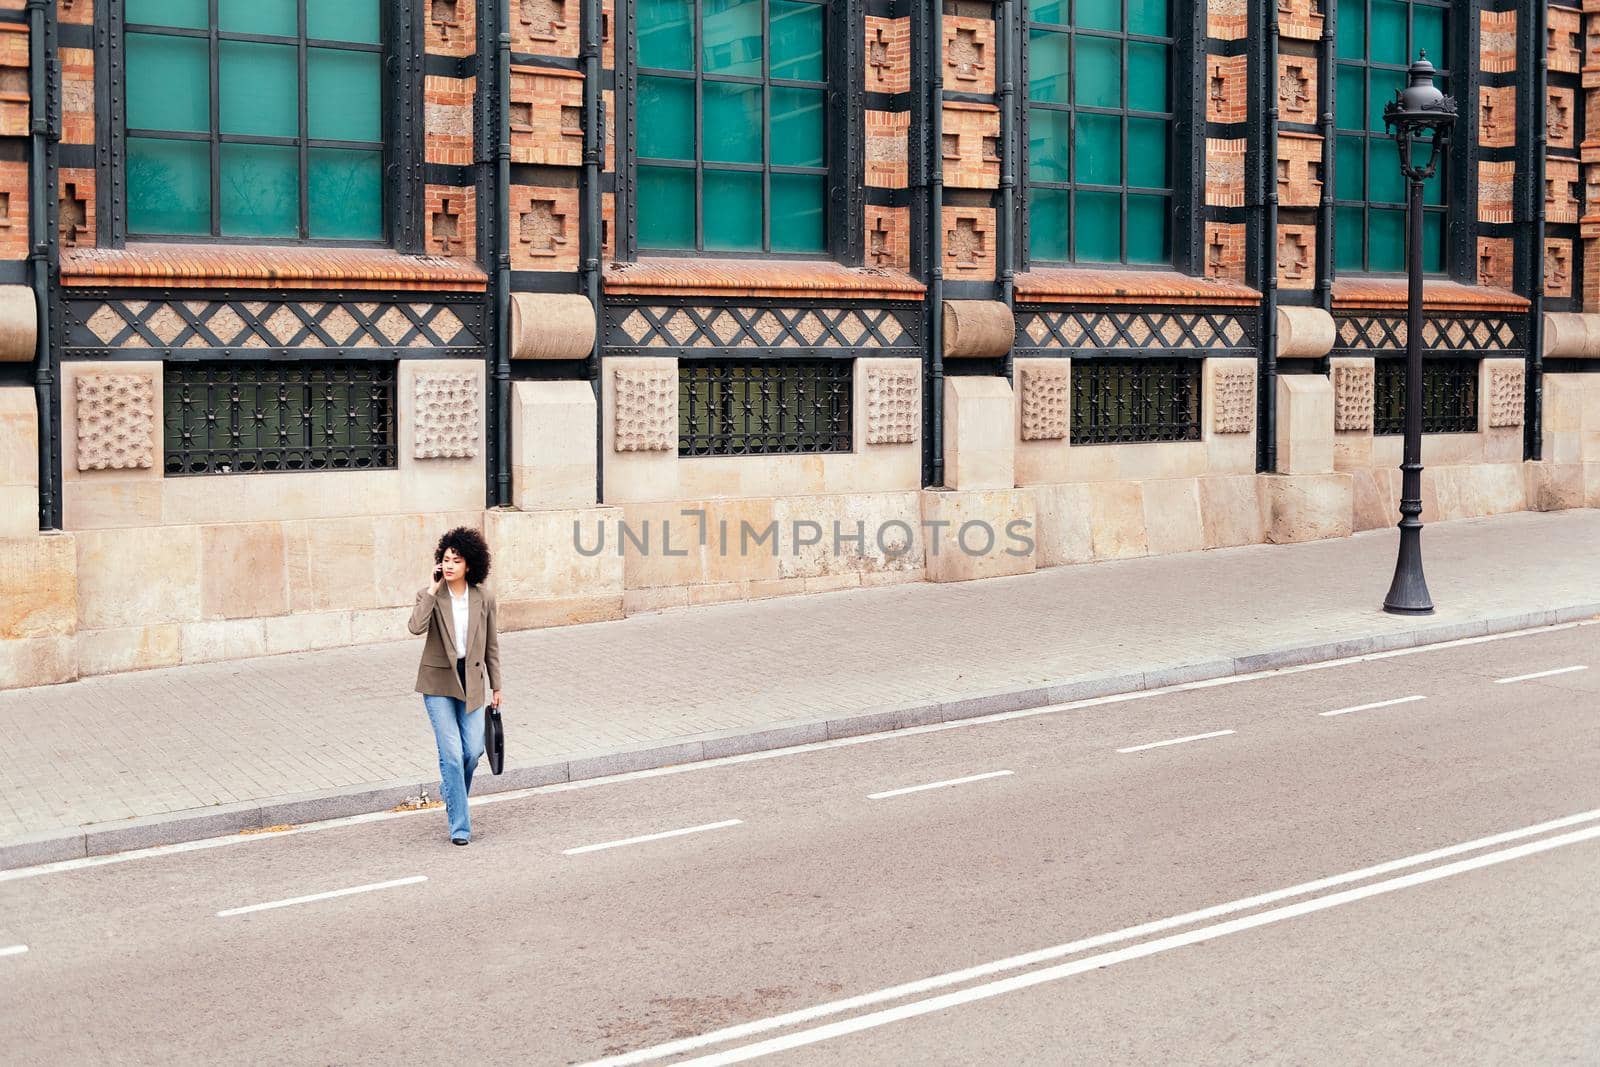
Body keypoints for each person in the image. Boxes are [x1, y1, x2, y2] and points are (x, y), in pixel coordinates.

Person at [408, 526, 502, 845]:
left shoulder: (483, 598)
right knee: (451, 754)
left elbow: (491, 645)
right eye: (446, 559)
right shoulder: (430, 596)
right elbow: (414, 627)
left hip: (472, 682)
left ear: (469, 565)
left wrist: (497, 685)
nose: (449, 565)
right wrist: (433, 590)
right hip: (438, 682)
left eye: (456, 560)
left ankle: (450, 790)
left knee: (473, 752)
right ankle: (460, 827)